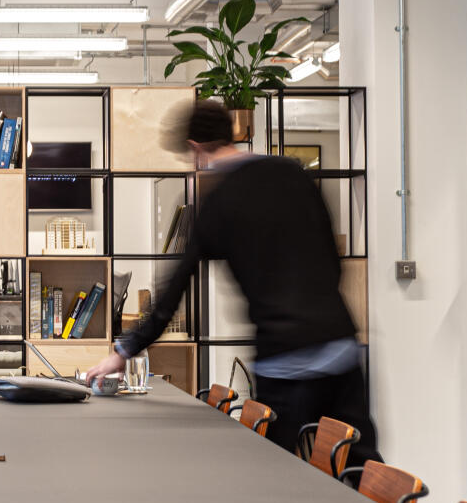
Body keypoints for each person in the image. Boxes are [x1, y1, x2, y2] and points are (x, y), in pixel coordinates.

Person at [85, 100, 379, 466]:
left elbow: (172, 295)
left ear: (195, 149)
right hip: (339, 345)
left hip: (283, 359)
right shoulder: (293, 173)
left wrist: (122, 352)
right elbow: (332, 259)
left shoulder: (215, 203)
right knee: (361, 469)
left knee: (281, 478)